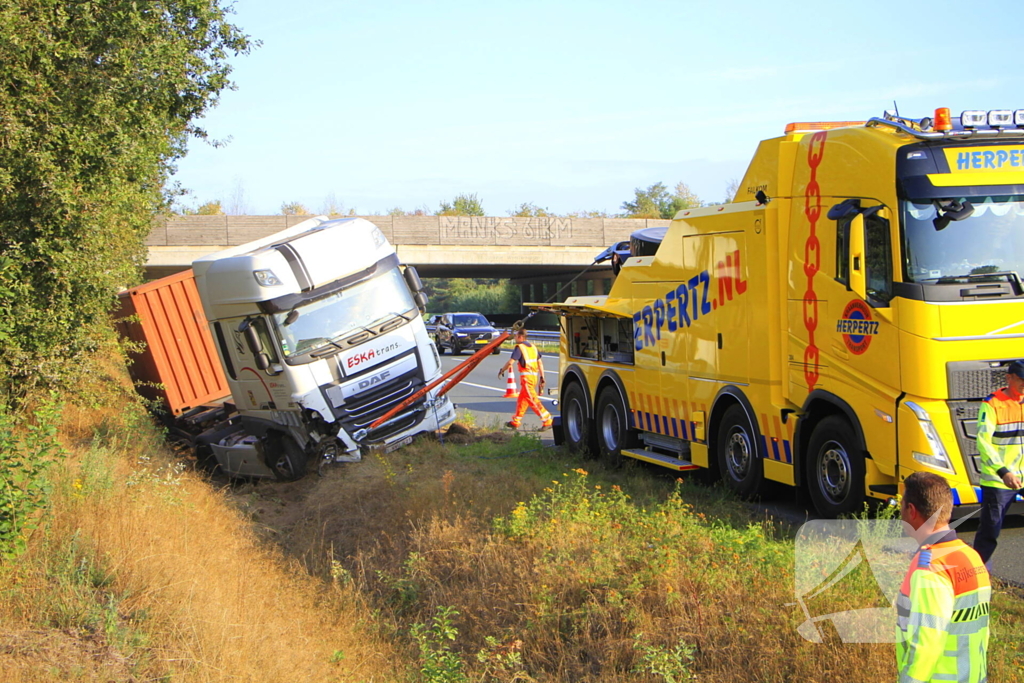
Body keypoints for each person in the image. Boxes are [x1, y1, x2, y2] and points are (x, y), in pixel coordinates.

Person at [897, 472, 990, 683]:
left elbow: (926, 642)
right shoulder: (970, 556)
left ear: (911, 511)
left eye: (901, 503)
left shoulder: (930, 566)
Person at [973, 360, 1024, 564]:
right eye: (1021, 379)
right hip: (999, 480)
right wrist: (1003, 472)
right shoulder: (992, 404)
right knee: (990, 529)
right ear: (1009, 378)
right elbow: (983, 441)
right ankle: (977, 573)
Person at [499, 328, 552, 430]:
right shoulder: (533, 347)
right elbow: (539, 362)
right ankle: (516, 421)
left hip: (526, 378)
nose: (514, 338)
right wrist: (542, 377)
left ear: (520, 337)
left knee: (532, 400)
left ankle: (547, 420)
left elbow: (511, 362)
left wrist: (502, 370)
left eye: (515, 336)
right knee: (522, 399)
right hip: (534, 377)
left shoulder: (520, 348)